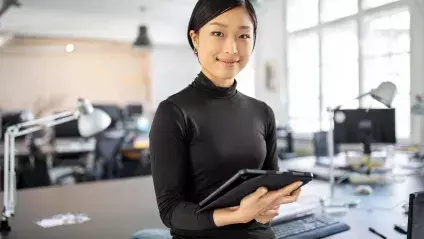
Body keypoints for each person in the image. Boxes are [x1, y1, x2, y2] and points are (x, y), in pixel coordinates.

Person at [149, 0, 302, 238]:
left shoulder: (263, 112)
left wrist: (271, 205)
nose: (232, 48)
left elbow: (267, 193)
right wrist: (237, 215)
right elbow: (170, 211)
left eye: (243, 36)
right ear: (196, 38)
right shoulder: (173, 112)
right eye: (218, 33)